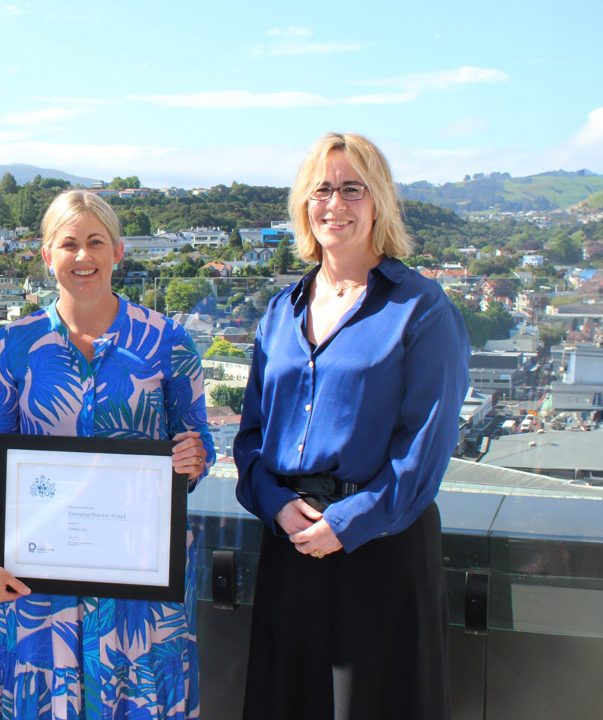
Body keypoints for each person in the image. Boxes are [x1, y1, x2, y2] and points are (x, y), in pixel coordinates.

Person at [233, 132, 470, 720]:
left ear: (379, 203)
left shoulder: (420, 308)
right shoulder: (279, 312)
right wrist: (275, 506)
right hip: (290, 546)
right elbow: (250, 440)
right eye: (322, 190)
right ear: (303, 205)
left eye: (352, 189)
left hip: (379, 552)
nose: (334, 203)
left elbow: (424, 449)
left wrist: (346, 521)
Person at [0, 189, 214, 719]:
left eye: (96, 242)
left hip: (140, 589)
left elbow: (198, 445)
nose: (83, 256)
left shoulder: (168, 342)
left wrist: (192, 458)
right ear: (46, 254)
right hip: (39, 587)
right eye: (69, 243)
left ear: (118, 251)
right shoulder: (13, 346)